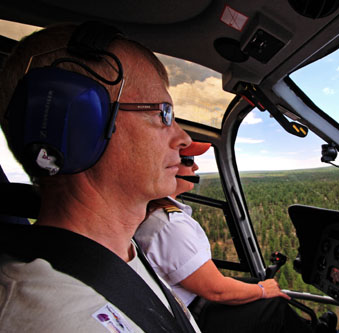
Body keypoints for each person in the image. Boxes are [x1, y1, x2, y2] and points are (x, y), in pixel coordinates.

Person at [0, 22, 200, 332]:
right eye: (164, 113)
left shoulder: (124, 252)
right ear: (79, 124)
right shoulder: (57, 320)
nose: (183, 138)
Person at [135, 141, 316, 333]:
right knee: (274, 307)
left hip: (184, 305)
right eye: (188, 161)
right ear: (165, 167)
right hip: (188, 318)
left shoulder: (156, 212)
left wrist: (259, 288)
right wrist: (264, 291)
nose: (196, 166)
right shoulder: (169, 226)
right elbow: (216, 290)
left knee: (255, 284)